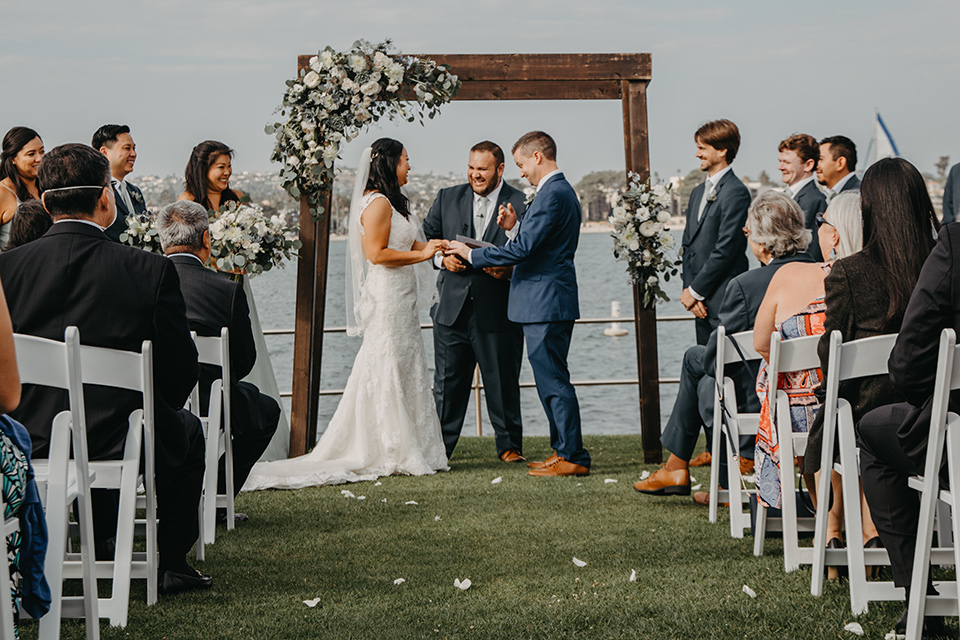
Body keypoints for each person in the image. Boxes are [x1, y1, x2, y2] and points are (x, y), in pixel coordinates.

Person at [0, 143, 210, 596]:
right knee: (187, 431)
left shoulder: (5, 270)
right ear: (104, 199)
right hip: (117, 437)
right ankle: (169, 561)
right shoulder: (148, 269)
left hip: (26, 434)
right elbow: (177, 377)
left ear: (45, 201)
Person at [243, 138, 448, 490]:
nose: (410, 167)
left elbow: (407, 243)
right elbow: (378, 254)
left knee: (406, 364)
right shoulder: (378, 203)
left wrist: (435, 247)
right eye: (406, 160)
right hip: (388, 296)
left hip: (403, 297)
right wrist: (423, 254)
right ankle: (386, 446)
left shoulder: (395, 202)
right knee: (385, 363)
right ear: (389, 164)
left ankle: (414, 444)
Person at [805, 159, 939, 589]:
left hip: (873, 413)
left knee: (843, 431)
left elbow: (833, 357)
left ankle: (840, 533)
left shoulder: (849, 271)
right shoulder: (942, 265)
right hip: (939, 409)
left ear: (870, 210)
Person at [633, 191, 816, 501]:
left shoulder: (747, 285)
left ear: (762, 242)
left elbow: (717, 361)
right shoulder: (829, 274)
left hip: (761, 400)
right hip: (820, 398)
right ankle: (683, 469)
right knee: (703, 367)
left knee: (698, 362)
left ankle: (683, 468)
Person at [447, 131, 588, 477]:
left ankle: (572, 456)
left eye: (523, 164)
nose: (521, 172)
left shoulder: (553, 193)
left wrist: (472, 253)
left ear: (537, 157)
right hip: (546, 300)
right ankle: (563, 450)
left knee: (553, 381)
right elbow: (532, 242)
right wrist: (513, 228)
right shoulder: (555, 192)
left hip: (546, 301)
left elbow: (523, 252)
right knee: (550, 380)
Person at [856, 162, 951, 638]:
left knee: (873, 432)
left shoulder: (954, 245)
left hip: (955, 442)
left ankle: (919, 601)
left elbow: (907, 362)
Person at [156, 201, 280, 522]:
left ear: (162, 242)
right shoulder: (226, 291)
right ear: (207, 240)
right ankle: (216, 497)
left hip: (152, 399)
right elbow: (245, 359)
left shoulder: (141, 280)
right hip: (213, 400)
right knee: (265, 412)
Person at [421, 141, 526, 462]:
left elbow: (532, 247)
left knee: (503, 382)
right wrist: (441, 260)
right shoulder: (447, 197)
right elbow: (426, 239)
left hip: (499, 309)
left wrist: (508, 270)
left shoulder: (522, 202)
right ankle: (441, 450)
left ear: (500, 170)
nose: (475, 175)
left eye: (482, 169)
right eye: (471, 167)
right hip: (451, 310)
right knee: (446, 385)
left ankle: (509, 448)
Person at [680, 119, 752, 345]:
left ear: (722, 150)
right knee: (703, 368)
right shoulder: (696, 192)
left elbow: (727, 248)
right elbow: (688, 245)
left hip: (723, 301)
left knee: (725, 370)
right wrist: (690, 293)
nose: (697, 154)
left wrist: (696, 290)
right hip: (699, 304)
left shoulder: (736, 192)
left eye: (702, 148)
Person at [92, 124, 147, 242]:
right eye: (127, 148)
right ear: (104, 152)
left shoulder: (135, 191)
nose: (133, 154)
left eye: (134, 148)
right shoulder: (96, 191)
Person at [778, 133, 827, 261]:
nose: (780, 167)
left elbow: (812, 252)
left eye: (787, 162)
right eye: (780, 161)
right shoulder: (785, 197)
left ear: (808, 165)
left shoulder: (815, 200)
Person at [0, 128, 43, 251]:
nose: (39, 158)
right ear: (13, 158)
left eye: (42, 151)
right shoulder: (3, 192)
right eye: (31, 154)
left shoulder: (46, 188)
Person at [178, 140, 242, 212]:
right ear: (203, 170)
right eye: (221, 167)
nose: (227, 172)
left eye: (229, 166)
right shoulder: (187, 201)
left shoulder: (238, 198)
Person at [816, 135, 860, 202]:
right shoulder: (827, 195)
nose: (816, 166)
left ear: (840, 163)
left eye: (820, 159)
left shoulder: (857, 196)